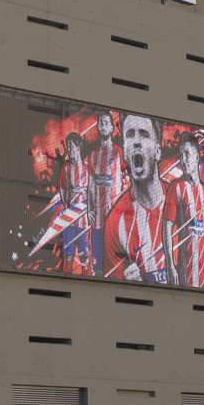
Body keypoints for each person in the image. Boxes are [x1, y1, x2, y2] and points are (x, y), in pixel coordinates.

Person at [102, 114, 172, 283]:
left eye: (144, 134)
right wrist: (127, 285)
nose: (136, 142)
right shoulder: (114, 222)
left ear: (157, 152)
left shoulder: (183, 204)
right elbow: (112, 295)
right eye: (130, 135)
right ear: (125, 151)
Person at [165, 137, 204, 289]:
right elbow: (166, 229)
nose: (183, 160)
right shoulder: (175, 188)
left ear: (197, 156)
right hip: (185, 278)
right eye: (180, 156)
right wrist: (170, 265)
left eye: (187, 154)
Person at [30, 134, 91, 273]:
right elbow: (63, 193)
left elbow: (91, 196)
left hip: (83, 223)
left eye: (73, 147)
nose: (71, 150)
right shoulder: (66, 169)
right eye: (69, 147)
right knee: (68, 256)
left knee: (84, 258)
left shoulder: (87, 170)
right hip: (68, 222)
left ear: (79, 147)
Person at [87, 111, 127, 274]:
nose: (102, 126)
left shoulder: (119, 152)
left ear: (112, 127)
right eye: (99, 123)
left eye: (105, 123)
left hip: (114, 223)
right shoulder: (92, 156)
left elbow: (130, 178)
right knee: (98, 270)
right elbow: (89, 186)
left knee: (115, 268)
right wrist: (89, 209)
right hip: (97, 222)